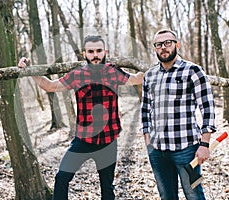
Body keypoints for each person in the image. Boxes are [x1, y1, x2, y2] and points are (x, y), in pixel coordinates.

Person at [18, 35, 143, 200]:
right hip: (83, 140)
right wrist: (30, 70)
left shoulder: (113, 72)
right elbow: (49, 86)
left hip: (108, 141)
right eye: (91, 51)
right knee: (61, 178)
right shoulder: (77, 75)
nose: (95, 55)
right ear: (85, 54)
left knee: (107, 188)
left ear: (105, 52)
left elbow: (136, 79)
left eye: (99, 51)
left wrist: (153, 67)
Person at [140, 29, 216, 200]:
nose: (163, 48)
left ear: (177, 45)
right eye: (158, 45)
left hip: (187, 150)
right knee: (166, 196)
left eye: (168, 43)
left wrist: (204, 144)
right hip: (157, 152)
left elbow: (207, 108)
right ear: (155, 48)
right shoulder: (150, 75)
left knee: (194, 194)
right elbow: (145, 108)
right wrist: (147, 137)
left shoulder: (193, 71)